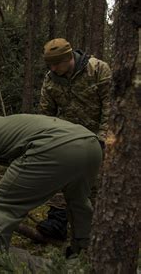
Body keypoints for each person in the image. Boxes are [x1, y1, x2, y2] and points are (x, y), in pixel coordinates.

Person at [0, 113, 102, 257]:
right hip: (91, 144)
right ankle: (86, 255)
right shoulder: (2, 124)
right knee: (79, 201)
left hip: (55, 146)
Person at [37, 38, 111, 240]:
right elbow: (46, 113)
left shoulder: (97, 69)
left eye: (56, 63)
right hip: (68, 137)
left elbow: (110, 105)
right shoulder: (51, 79)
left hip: (97, 136)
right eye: (49, 64)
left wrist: (102, 137)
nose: (53, 68)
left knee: (94, 185)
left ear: (68, 58)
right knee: (60, 175)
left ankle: (94, 232)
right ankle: (58, 221)